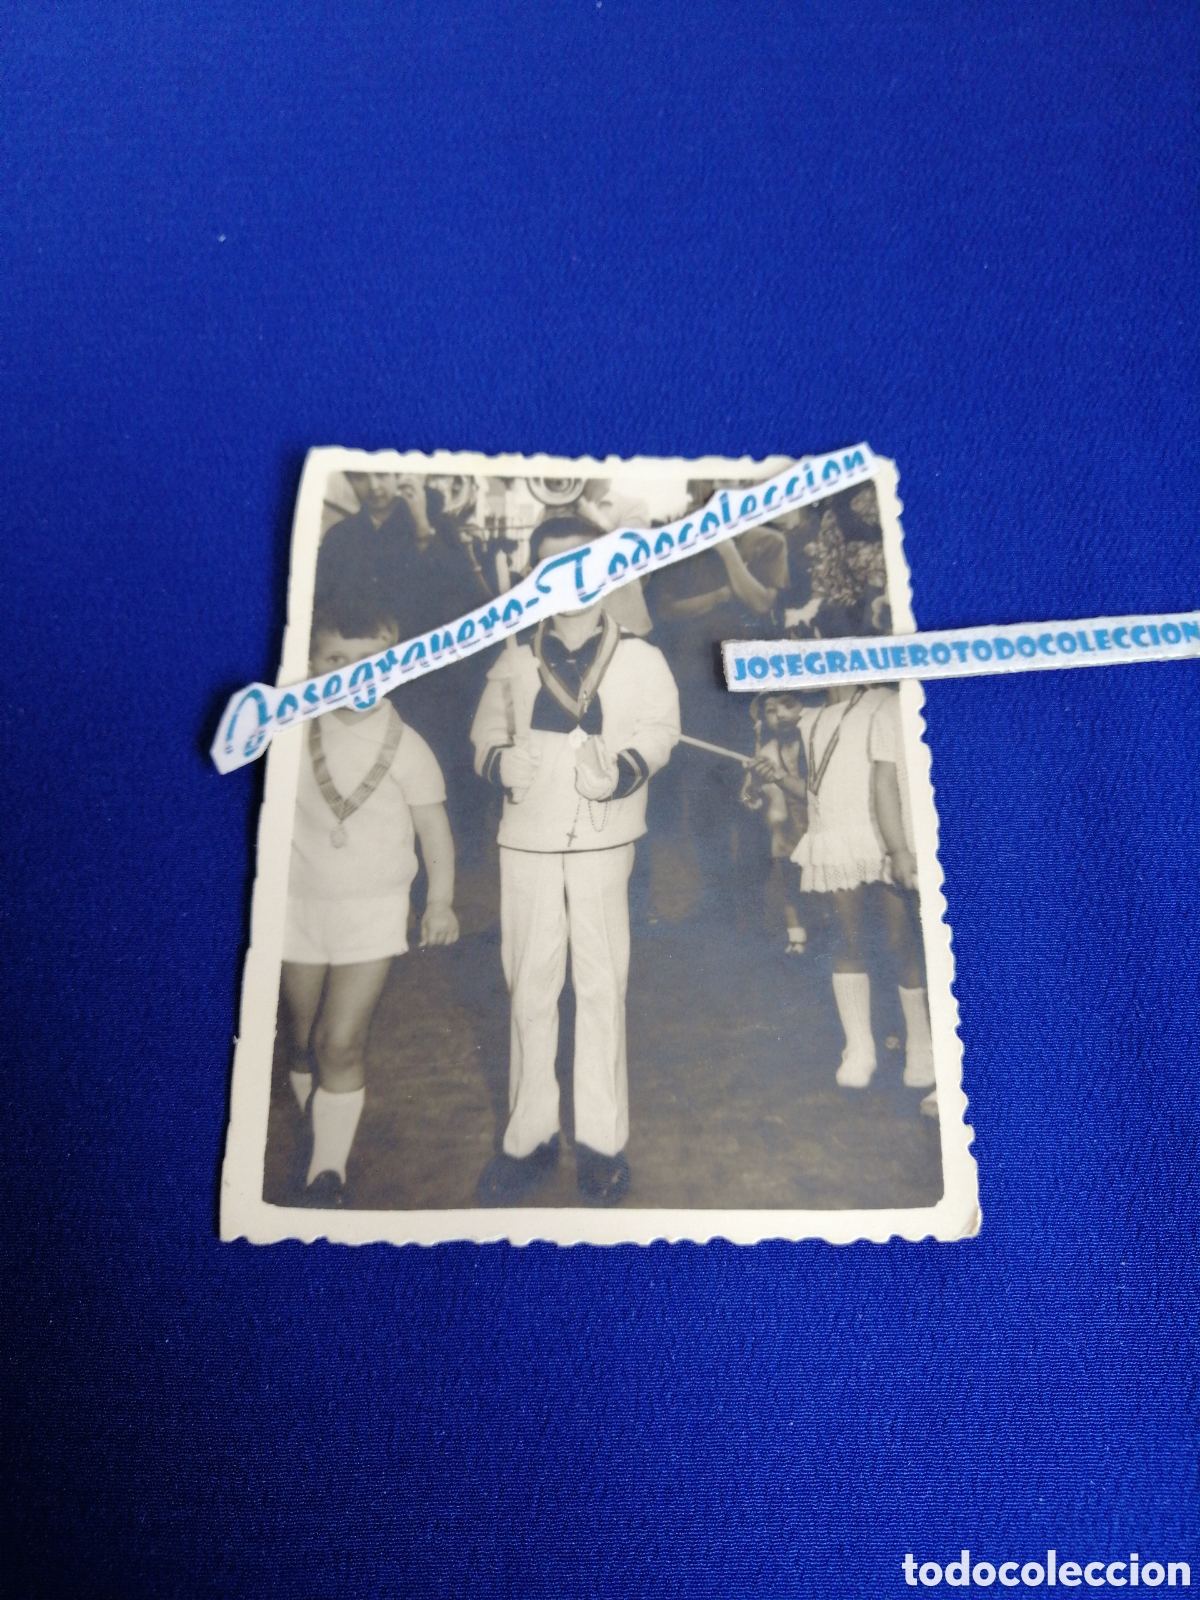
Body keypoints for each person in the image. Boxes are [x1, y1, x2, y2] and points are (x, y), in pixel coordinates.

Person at [469, 516, 681, 1205]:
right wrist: (503, 762)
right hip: (526, 841)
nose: (565, 580)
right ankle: (528, 1138)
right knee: (529, 985)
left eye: (579, 564)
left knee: (599, 986)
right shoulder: (511, 660)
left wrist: (620, 770)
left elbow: (660, 731)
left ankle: (602, 1143)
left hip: (602, 840)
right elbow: (482, 738)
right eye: (550, 567)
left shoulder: (641, 658)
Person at [279, 589, 460, 1207]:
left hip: (374, 910)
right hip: (295, 906)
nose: (354, 673)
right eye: (336, 659)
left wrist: (439, 901)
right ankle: (312, 1117)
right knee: (301, 1040)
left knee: (341, 1041)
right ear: (310, 663)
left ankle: (326, 1171)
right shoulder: (289, 736)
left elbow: (435, 831)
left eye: (372, 659)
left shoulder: (408, 747)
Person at [790, 685, 930, 1093]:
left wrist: (900, 843)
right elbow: (814, 786)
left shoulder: (882, 702)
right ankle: (859, 1047)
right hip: (834, 838)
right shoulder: (809, 719)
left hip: (882, 834)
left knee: (898, 941)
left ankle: (920, 1044)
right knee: (845, 941)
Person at [869, 690, 937, 1116]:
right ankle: (947, 1074)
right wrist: (898, 849)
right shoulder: (890, 709)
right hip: (922, 855)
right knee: (935, 964)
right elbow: (883, 781)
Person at [741, 692, 809, 954]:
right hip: (791, 828)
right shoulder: (768, 752)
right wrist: (755, 785)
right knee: (787, 870)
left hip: (823, 822)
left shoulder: (817, 739)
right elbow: (748, 795)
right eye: (770, 710)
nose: (779, 714)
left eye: (788, 705)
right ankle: (796, 934)